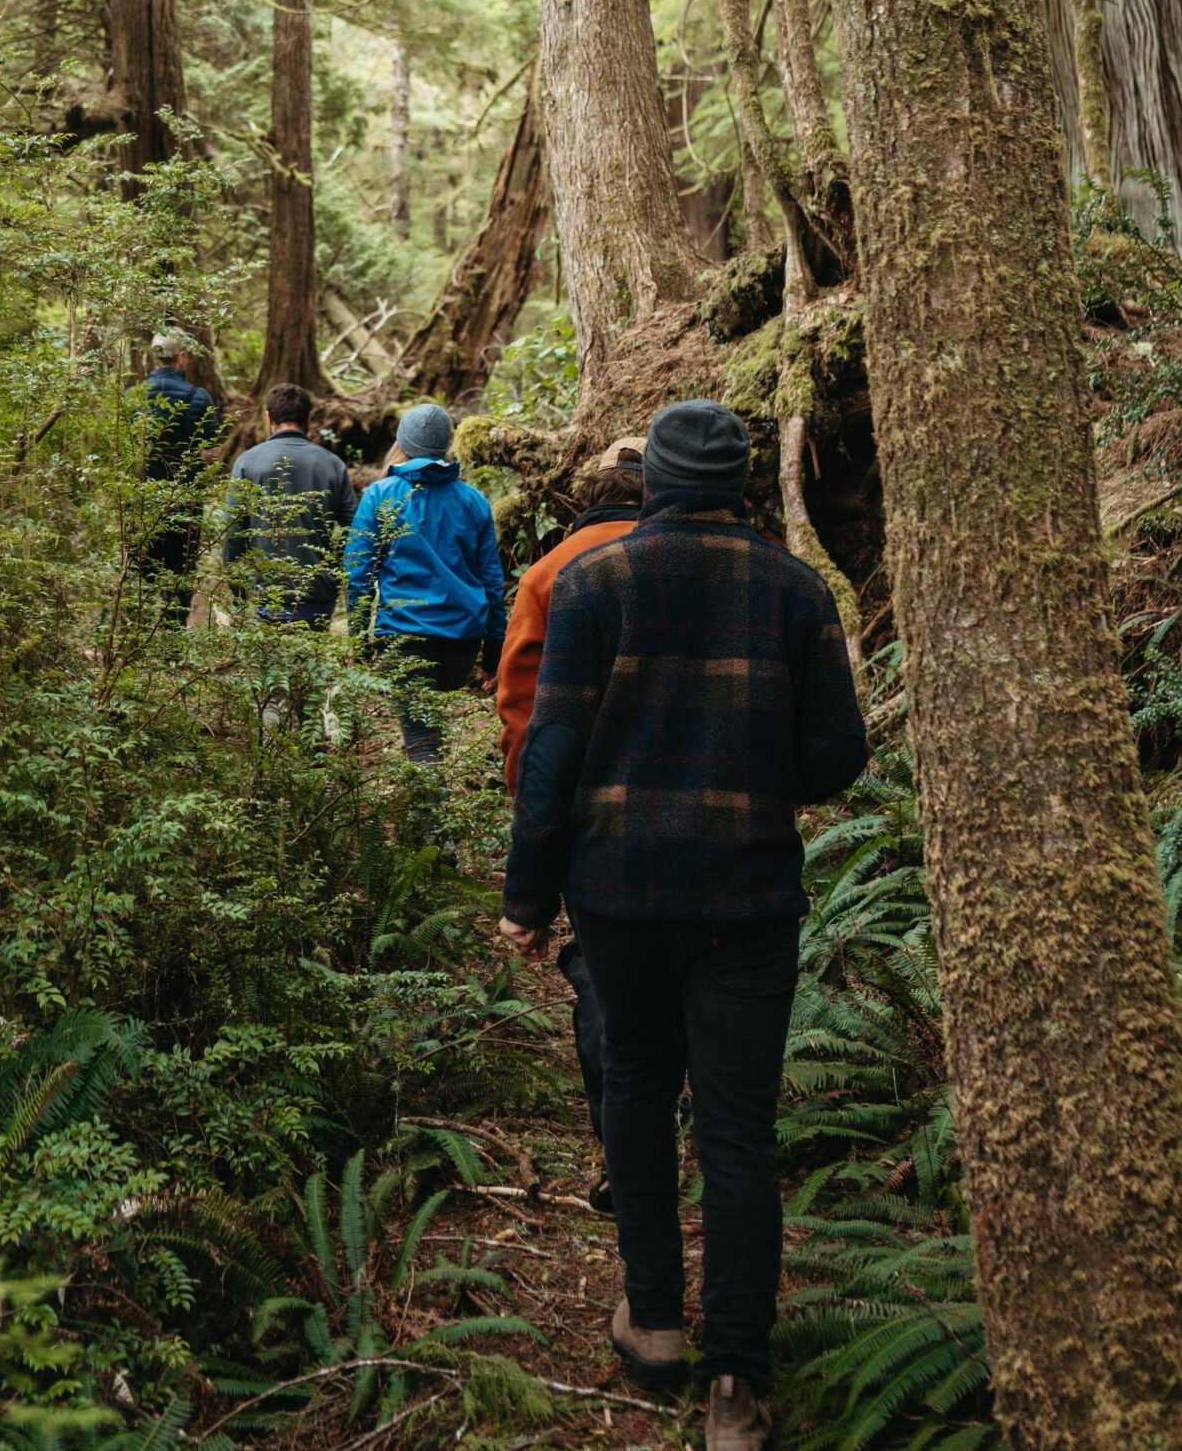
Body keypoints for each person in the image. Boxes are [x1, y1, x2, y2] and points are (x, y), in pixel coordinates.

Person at [498, 398, 867, 1451]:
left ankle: (655, 1318)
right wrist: (757, 771)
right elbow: (840, 755)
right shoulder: (797, 589)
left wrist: (529, 900)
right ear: (744, 482)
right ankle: (736, 1388)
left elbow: (555, 756)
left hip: (620, 892)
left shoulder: (592, 580)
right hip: (748, 898)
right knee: (741, 1131)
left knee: (638, 1086)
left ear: (653, 477)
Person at [494, 433, 646, 1210]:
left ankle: (626, 1149)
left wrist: (532, 818)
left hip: (588, 811)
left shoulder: (551, 571)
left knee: (601, 983)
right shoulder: (698, 560)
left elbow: (523, 708)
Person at [344, 401, 505, 762]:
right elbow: (493, 582)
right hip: (462, 643)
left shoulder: (379, 496)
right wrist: (495, 653)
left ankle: (428, 815)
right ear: (447, 445)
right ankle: (434, 806)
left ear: (403, 442)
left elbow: (358, 574)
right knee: (428, 730)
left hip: (404, 637)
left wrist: (357, 640)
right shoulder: (474, 501)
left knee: (422, 742)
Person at [224, 383, 358, 628]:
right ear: (308, 417)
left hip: (268, 593)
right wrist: (335, 574)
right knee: (312, 664)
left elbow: (233, 533)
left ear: (268, 418)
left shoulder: (247, 463)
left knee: (271, 663)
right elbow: (356, 531)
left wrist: (239, 593)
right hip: (318, 593)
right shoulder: (333, 464)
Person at [128, 331, 218, 622]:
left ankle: (138, 635)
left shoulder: (135, 397)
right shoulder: (198, 397)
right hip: (186, 501)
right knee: (181, 569)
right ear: (181, 357)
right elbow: (211, 454)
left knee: (141, 569)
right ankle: (173, 636)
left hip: (145, 502)